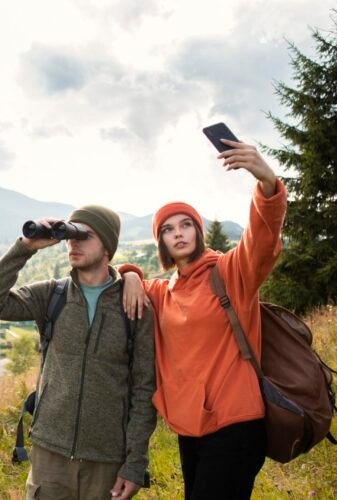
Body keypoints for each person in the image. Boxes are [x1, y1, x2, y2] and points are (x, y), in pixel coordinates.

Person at [119, 139, 287, 499]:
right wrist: (130, 273)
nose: (178, 233)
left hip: (236, 425)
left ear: (198, 230)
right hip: (191, 429)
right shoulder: (162, 293)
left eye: (186, 225)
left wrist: (267, 183)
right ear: (161, 242)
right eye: (168, 229)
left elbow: (261, 240)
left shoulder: (229, 273)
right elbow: (117, 284)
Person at [0, 205, 156, 500]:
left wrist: (135, 465)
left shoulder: (134, 307)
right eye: (71, 234)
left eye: (85, 235)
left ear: (108, 245)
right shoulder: (52, 295)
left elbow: (145, 390)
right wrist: (26, 247)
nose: (74, 241)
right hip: (50, 455)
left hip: (106, 460)